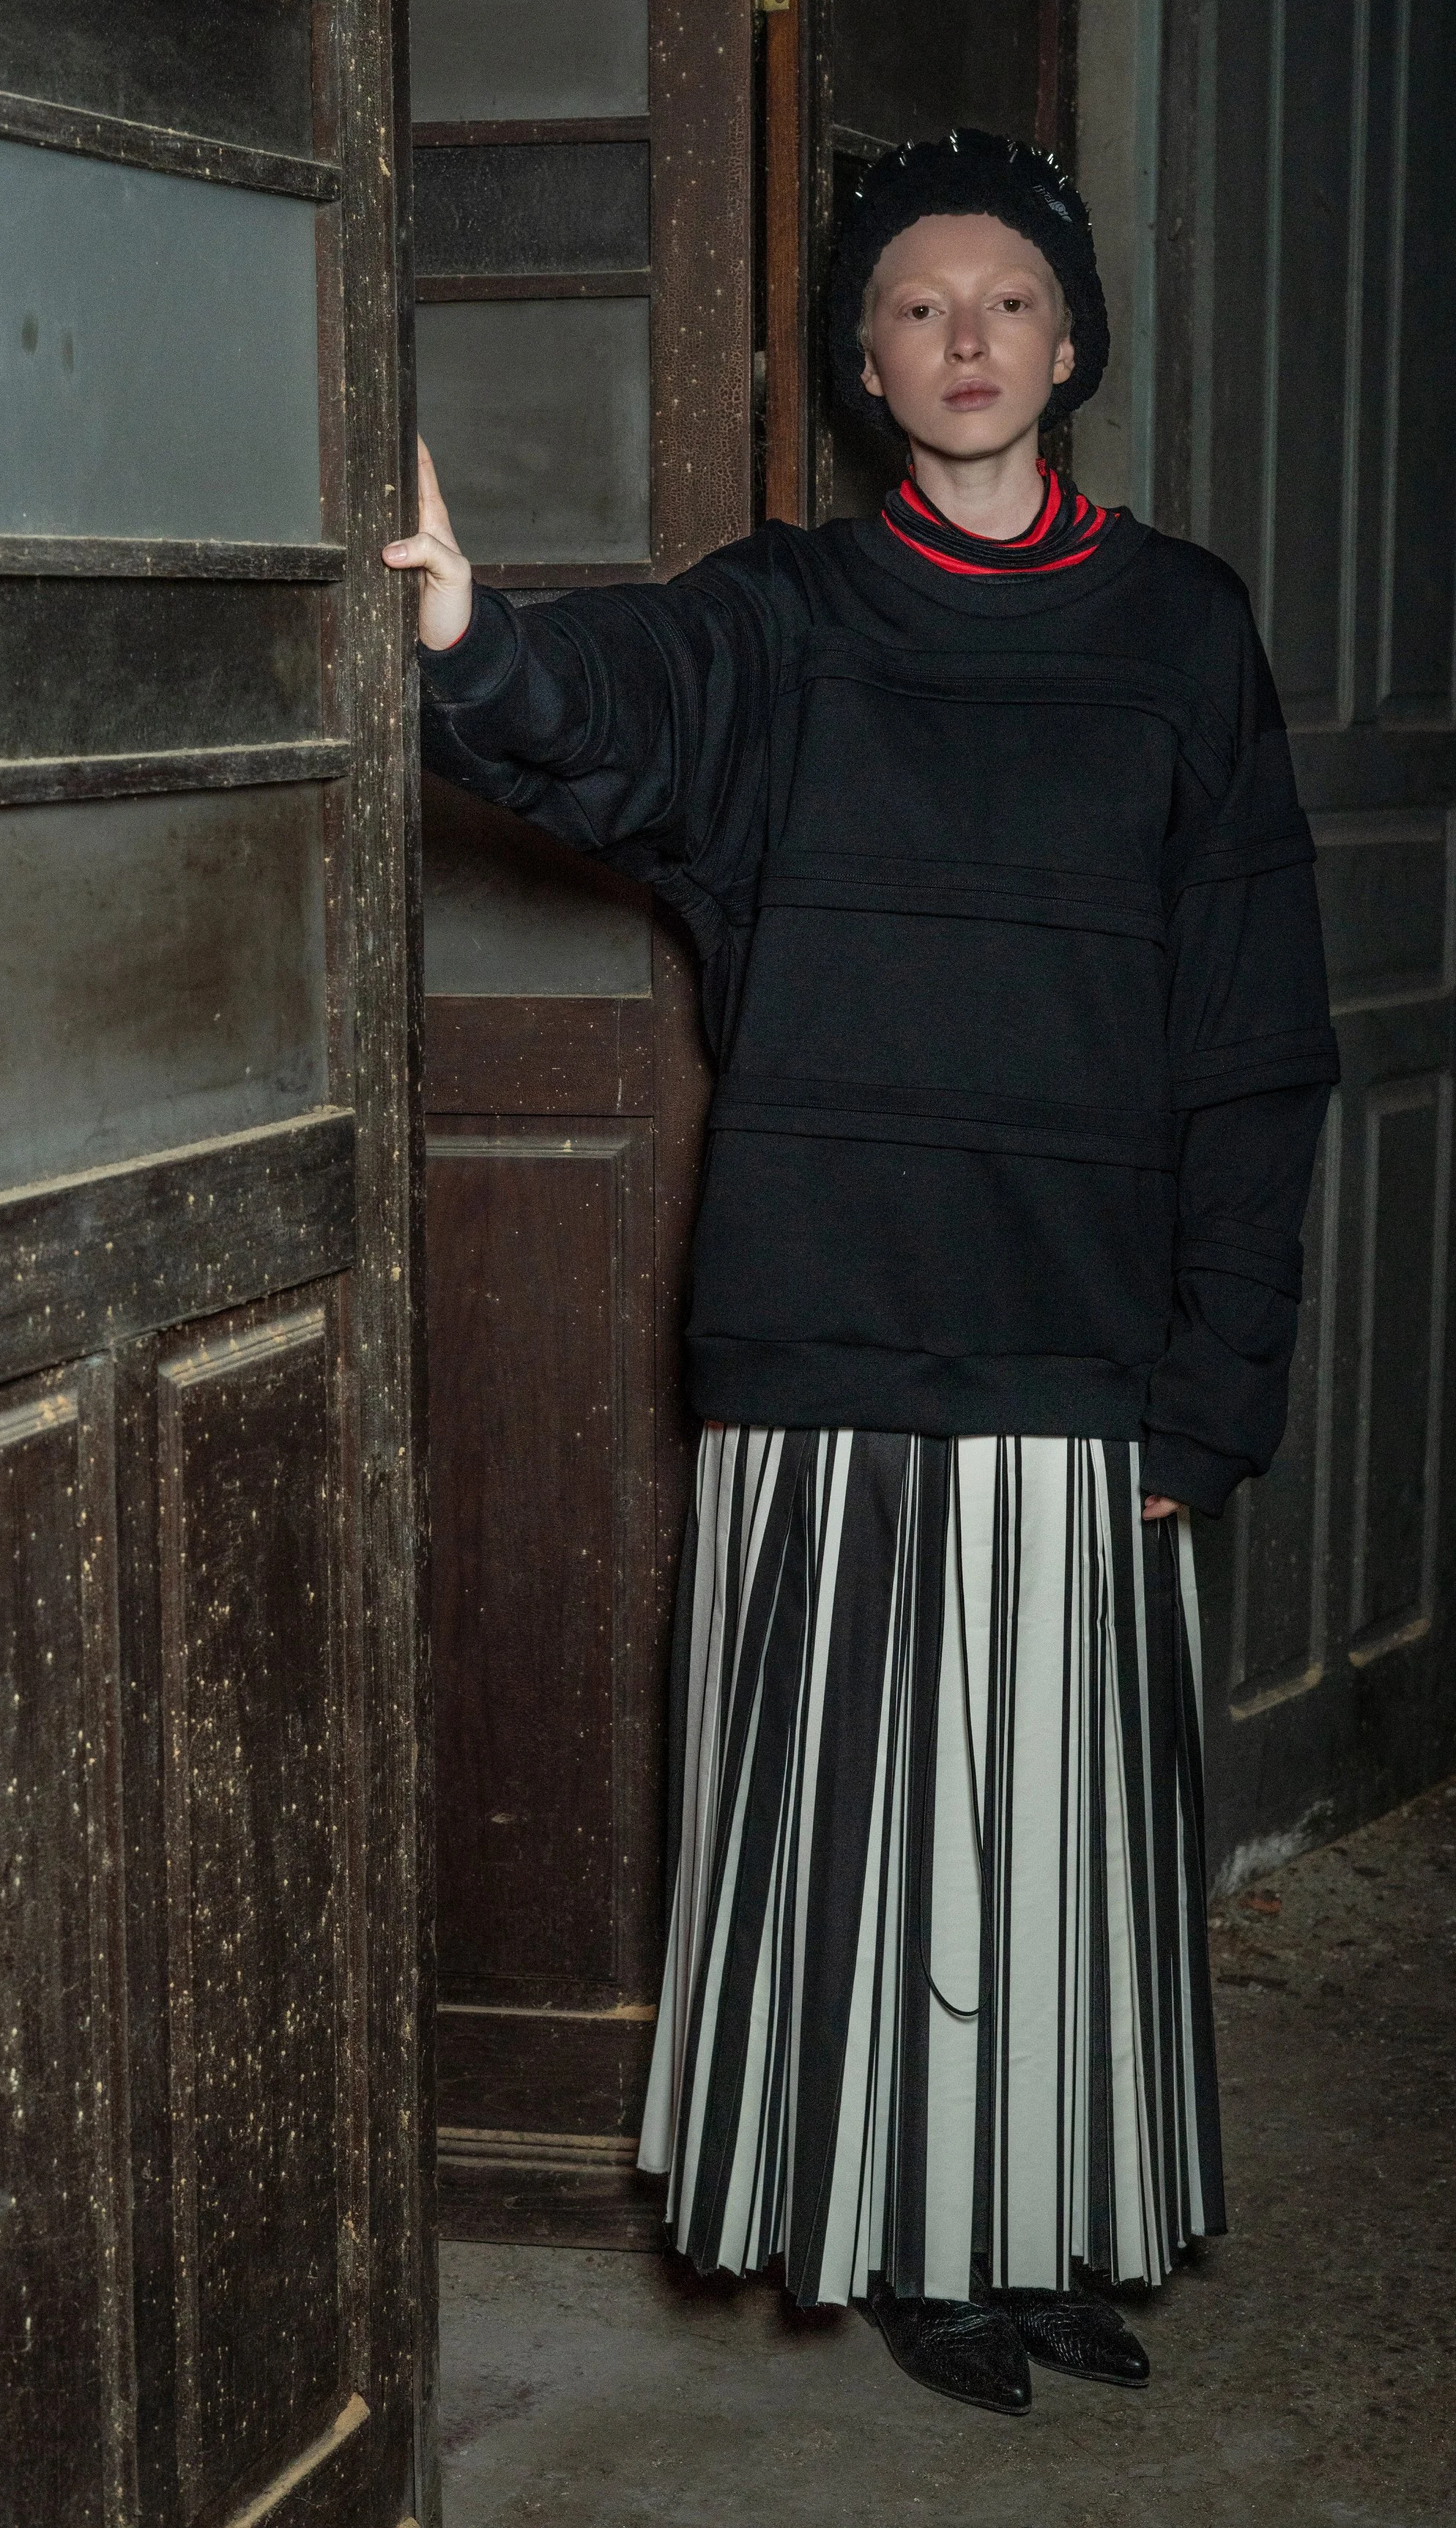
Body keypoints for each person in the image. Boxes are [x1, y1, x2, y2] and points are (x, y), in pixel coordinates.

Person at [384, 129, 1337, 2417]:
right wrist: (464, 629)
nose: (968, 339)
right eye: (917, 306)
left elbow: (1252, 1033)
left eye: (1008, 298)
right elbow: (609, 708)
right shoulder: (788, 616)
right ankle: (910, 2246)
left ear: (1073, 337)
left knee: (1059, 1839)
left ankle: (1036, 2239)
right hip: (827, 1318)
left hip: (1080, 1341)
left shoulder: (1181, 629)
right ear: (863, 359)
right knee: (864, 1833)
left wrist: (1213, 1390)